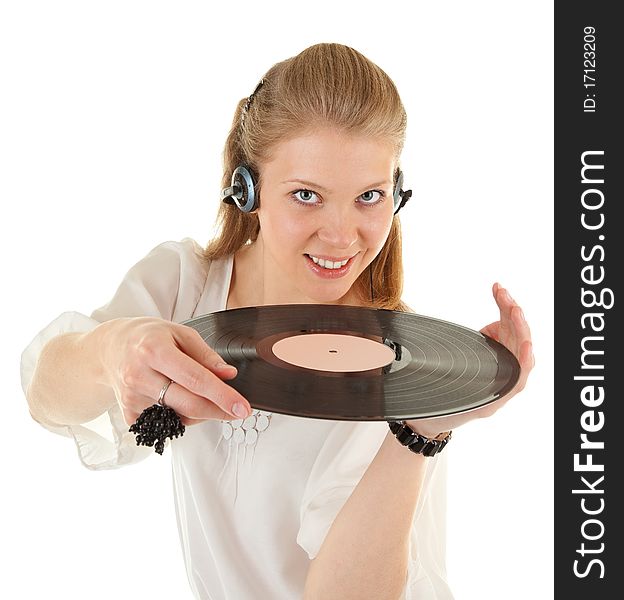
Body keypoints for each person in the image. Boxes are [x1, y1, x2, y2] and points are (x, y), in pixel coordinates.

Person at [20, 43, 534, 600]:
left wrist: (421, 429)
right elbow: (46, 397)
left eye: (369, 196)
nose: (341, 236)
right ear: (248, 190)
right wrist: (112, 350)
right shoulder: (186, 284)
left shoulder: (398, 365)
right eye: (307, 195)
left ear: (397, 194)